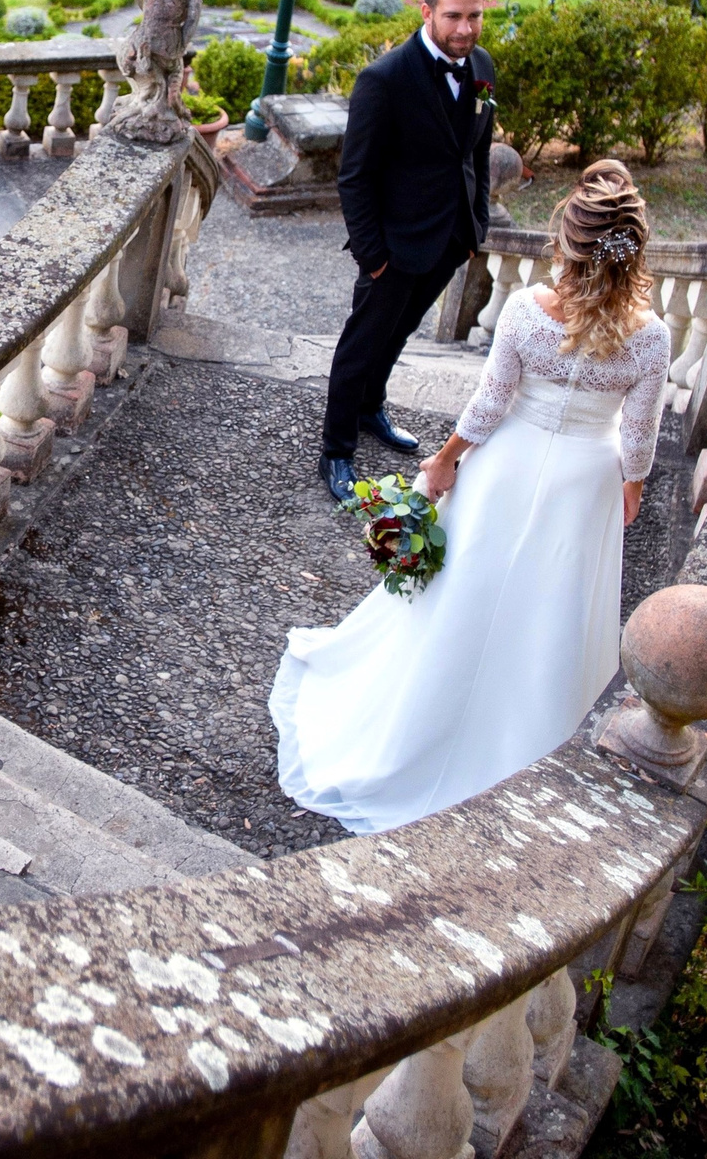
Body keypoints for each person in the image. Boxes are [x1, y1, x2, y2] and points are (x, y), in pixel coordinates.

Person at [273, 162, 671, 833]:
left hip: (504, 470)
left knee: (461, 598)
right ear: (633, 252)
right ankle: (530, 749)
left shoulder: (524, 311)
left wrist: (445, 461)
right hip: (585, 486)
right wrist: (630, 489)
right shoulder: (652, 337)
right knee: (551, 614)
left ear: (565, 243)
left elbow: (491, 403)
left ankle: (423, 721)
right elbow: (638, 436)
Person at [319, 0, 499, 505]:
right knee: (362, 342)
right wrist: (374, 256)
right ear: (426, 12)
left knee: (399, 334)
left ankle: (372, 408)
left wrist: (479, 221)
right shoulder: (384, 79)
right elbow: (354, 176)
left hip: (449, 239)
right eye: (453, 16)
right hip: (393, 247)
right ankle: (336, 451)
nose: (465, 28)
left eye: (474, 15)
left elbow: (479, 148)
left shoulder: (482, 66)